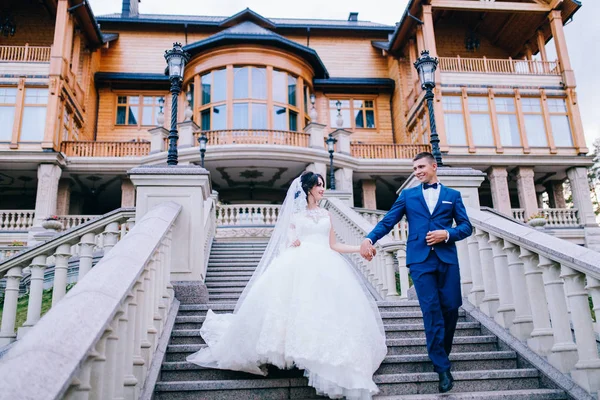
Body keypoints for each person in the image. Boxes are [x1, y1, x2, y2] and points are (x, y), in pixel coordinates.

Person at [188, 172, 387, 400]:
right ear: (309, 188)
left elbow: (334, 245)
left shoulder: (327, 214)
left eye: (323, 185)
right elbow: (285, 241)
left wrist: (359, 249)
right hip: (301, 264)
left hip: (327, 265)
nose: (322, 189)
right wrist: (291, 242)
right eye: (319, 185)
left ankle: (325, 356)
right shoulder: (295, 215)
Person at [360, 152, 472, 393]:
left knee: (451, 307)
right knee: (431, 309)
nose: (418, 171)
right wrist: (370, 238)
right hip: (420, 261)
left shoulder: (453, 196)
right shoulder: (408, 196)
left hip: (447, 259)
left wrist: (447, 234)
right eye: (415, 168)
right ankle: (442, 367)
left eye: (421, 167)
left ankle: (441, 351)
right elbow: (388, 220)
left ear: (434, 166)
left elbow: (466, 226)